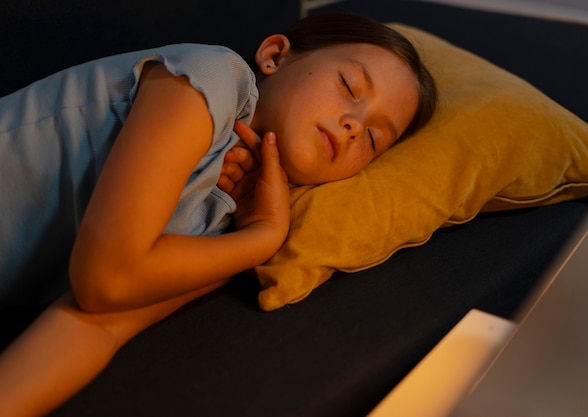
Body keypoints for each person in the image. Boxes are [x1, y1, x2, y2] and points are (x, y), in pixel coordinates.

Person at [0, 13, 437, 417]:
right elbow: (105, 279)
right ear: (274, 56)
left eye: (374, 138)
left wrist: (255, 237)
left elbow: (98, 325)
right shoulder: (208, 78)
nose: (354, 125)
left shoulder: (229, 223)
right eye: (349, 85)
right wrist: (264, 238)